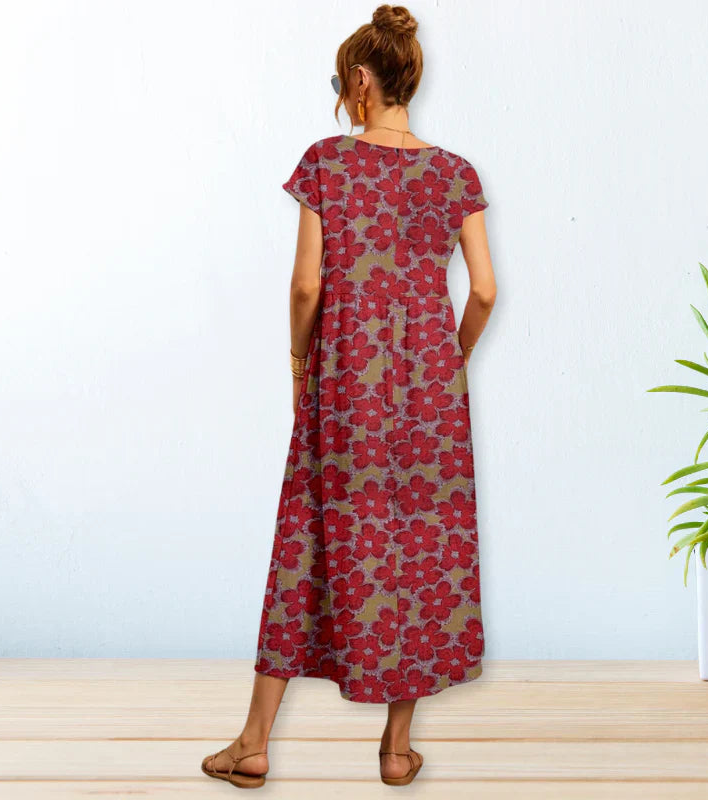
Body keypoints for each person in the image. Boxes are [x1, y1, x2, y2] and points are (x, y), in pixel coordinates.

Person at [201, 3, 497, 788]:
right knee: (422, 547)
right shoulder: (457, 174)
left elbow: (306, 286)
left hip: (345, 385)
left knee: (307, 539)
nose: (340, 97)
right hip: (432, 394)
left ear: (362, 79)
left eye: (341, 84)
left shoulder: (327, 164)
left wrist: (299, 360)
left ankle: (254, 742)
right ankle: (397, 750)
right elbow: (485, 292)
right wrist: (453, 358)